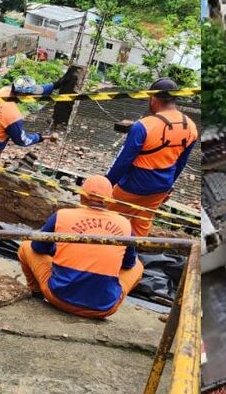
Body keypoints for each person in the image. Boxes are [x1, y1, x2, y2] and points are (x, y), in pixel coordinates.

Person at [17, 176, 144, 318]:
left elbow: (38, 247)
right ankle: (101, 295)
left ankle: (36, 292)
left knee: (26, 245)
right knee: (138, 266)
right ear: (109, 201)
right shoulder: (125, 224)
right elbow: (128, 264)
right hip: (103, 309)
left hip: (58, 298)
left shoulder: (62, 215)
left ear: (82, 196)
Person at [106, 78, 198, 237]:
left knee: (108, 222)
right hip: (159, 188)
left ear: (153, 98)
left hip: (131, 186)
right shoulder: (191, 126)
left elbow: (123, 162)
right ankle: (131, 259)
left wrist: (107, 184)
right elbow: (181, 163)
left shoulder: (143, 125)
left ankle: (103, 255)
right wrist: (168, 187)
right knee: (141, 225)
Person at [0, 79, 57, 213]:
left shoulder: (3, 91)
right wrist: (40, 137)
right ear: (23, 95)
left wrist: (55, 84)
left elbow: (37, 90)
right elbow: (22, 141)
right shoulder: (12, 115)